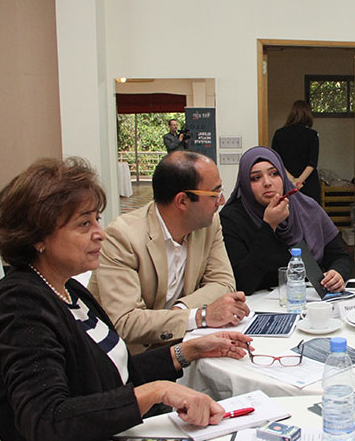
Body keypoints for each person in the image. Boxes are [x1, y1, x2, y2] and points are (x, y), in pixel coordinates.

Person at [0, 157, 253, 441]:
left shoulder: (69, 291)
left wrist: (187, 350)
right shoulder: (20, 307)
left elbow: (116, 375)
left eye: (97, 219)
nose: (101, 233)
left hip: (103, 438)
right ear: (38, 237)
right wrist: (158, 392)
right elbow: (48, 421)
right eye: (84, 224)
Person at [88, 151, 249, 352]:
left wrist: (180, 310)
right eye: (215, 194)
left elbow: (224, 283)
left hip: (183, 345)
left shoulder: (209, 223)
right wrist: (201, 315)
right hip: (129, 358)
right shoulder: (122, 236)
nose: (222, 200)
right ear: (182, 201)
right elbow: (125, 321)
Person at [219, 146, 351, 295]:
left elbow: (339, 257)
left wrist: (337, 273)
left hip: (305, 300)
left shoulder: (306, 207)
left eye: (274, 174)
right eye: (256, 178)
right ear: (245, 184)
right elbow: (242, 283)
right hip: (257, 305)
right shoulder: (232, 218)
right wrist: (269, 226)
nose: (267, 182)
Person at [271, 100, 321, 204]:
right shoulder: (312, 135)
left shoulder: (279, 134)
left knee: (286, 214)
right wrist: (299, 181)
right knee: (310, 216)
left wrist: (292, 181)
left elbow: (277, 160)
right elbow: (312, 163)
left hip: (285, 182)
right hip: (309, 184)